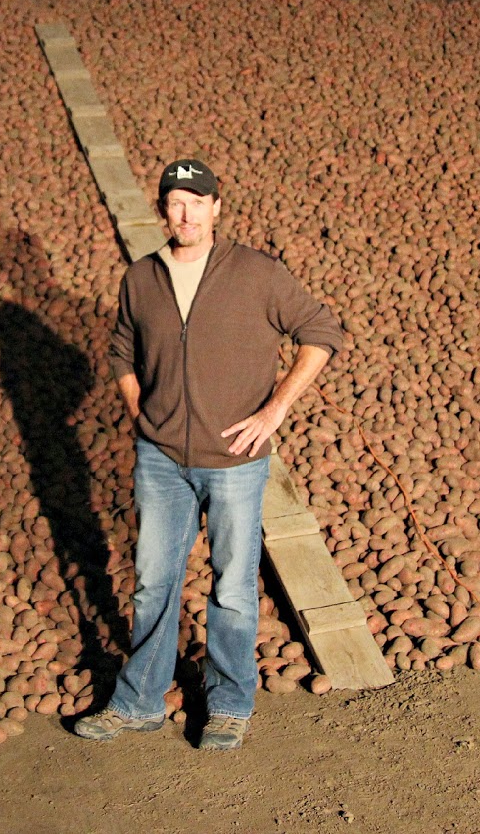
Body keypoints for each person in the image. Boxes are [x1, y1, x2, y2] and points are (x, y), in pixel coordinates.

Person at [74, 157, 343, 750]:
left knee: (233, 590)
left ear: (216, 207)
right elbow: (121, 350)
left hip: (235, 463)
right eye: (175, 202)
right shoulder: (141, 277)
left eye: (197, 202)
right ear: (162, 210)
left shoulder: (256, 273)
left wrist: (274, 411)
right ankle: (139, 702)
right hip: (161, 461)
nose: (186, 213)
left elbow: (322, 333)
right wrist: (140, 414)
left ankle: (228, 704)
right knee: (153, 583)